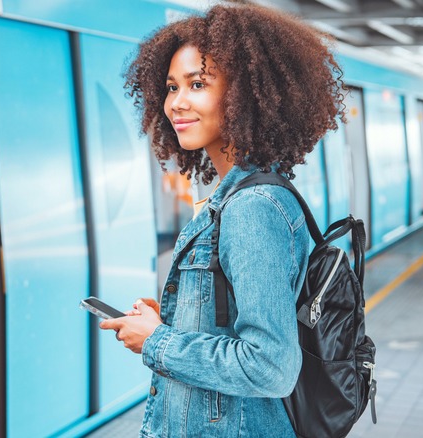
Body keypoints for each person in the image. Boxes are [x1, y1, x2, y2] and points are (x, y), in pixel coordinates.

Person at [99, 3, 346, 436]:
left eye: (197, 84)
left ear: (243, 94)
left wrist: (155, 342)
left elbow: (270, 367)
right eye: (172, 86)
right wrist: (174, 320)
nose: (177, 103)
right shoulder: (241, 195)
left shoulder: (251, 207)